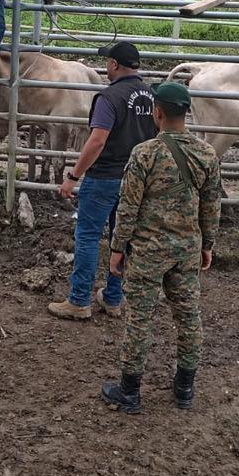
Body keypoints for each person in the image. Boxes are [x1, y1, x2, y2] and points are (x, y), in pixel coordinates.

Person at [100, 82, 223, 414]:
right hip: (186, 249)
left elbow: (128, 207)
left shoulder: (145, 153)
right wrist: (207, 244)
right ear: (186, 112)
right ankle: (184, 388)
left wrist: (117, 247)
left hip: (148, 252)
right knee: (188, 316)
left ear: (157, 113)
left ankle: (129, 391)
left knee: (140, 318)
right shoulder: (207, 153)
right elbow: (211, 205)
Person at [49, 41, 157, 320]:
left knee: (87, 237)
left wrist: (73, 176)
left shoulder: (109, 97)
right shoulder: (152, 95)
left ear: (114, 65)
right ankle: (113, 297)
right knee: (122, 239)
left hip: (104, 177)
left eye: (108, 62)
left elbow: (97, 141)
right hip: (135, 179)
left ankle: (79, 300)